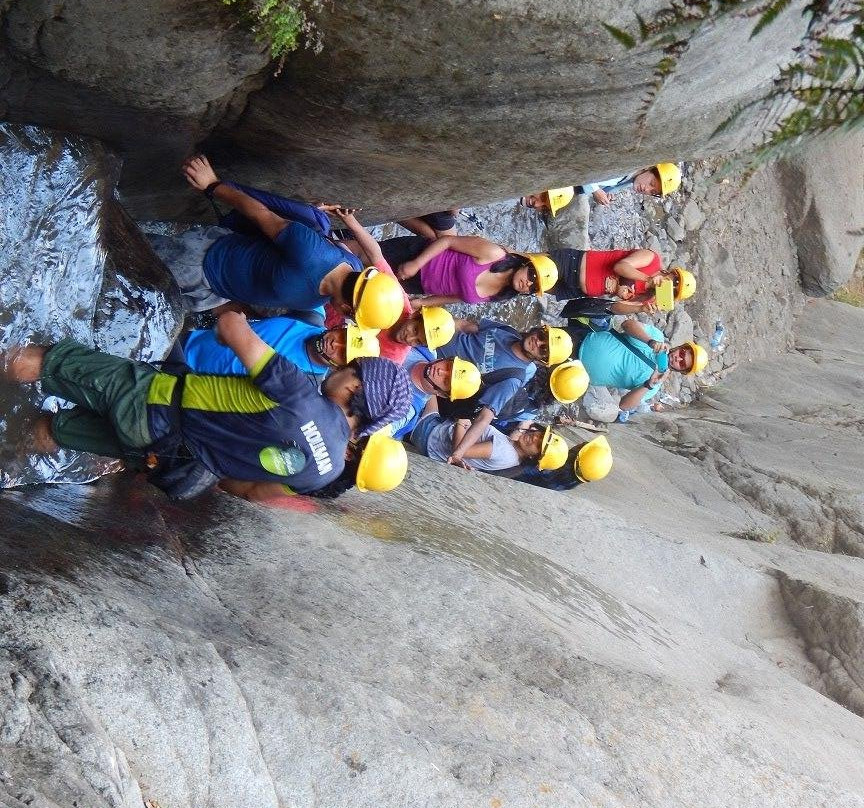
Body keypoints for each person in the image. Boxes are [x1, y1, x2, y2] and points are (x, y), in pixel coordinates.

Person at [1, 311, 412, 500]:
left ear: (356, 385)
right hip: (158, 453)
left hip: (151, 399)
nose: (341, 366)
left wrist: (230, 317)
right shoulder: (325, 474)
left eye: (350, 366)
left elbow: (231, 327)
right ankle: (14, 447)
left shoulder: (299, 390)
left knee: (51, 362)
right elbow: (247, 490)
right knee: (55, 431)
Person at [155, 155, 404, 330]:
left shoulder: (347, 267)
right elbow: (261, 214)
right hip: (200, 260)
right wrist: (213, 185)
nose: (345, 319)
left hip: (213, 293)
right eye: (351, 317)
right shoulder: (312, 254)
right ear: (349, 308)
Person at [434, 320, 573, 466]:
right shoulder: (508, 331)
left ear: (543, 361)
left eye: (543, 350)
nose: (538, 343)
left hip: (434, 371)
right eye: (542, 336)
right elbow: (463, 326)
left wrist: (458, 453)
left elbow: (484, 418)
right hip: (430, 337)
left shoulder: (512, 379)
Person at [566, 318, 708, 416]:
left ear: (681, 370)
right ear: (679, 347)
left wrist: (648, 384)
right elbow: (627, 324)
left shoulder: (654, 386)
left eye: (682, 363)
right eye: (682, 353)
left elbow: (624, 405)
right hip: (581, 339)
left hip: (577, 374)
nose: (678, 358)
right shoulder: (656, 336)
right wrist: (650, 341)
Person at [180, 318, 380, 378]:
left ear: (339, 367)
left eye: (342, 352)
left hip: (183, 373)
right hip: (188, 337)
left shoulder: (302, 381)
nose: (334, 343)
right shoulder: (309, 315)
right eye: (342, 336)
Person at [394, 235, 558, 308]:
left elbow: (456, 296)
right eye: (532, 275)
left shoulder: (500, 295)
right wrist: (416, 263)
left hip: (419, 286)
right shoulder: (495, 254)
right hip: (416, 254)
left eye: (534, 287)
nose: (528, 283)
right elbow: (448, 241)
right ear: (526, 264)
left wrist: (422, 303)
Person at [548, 249, 696, 315]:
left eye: (674, 289)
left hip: (576, 290)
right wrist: (648, 279)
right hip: (574, 264)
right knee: (528, 264)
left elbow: (614, 308)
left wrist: (639, 309)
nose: (671, 284)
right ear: (671, 273)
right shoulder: (652, 259)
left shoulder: (647, 298)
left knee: (531, 288)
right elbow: (621, 266)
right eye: (675, 280)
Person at [410, 416, 568, 474]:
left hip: (430, 434)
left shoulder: (503, 451)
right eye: (540, 436)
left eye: (538, 445)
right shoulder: (512, 454)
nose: (534, 438)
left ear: (534, 457)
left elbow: (460, 451)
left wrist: (460, 423)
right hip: (435, 433)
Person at [390, 347, 482, 439]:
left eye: (446, 381)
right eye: (447, 366)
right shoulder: (426, 348)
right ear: (444, 359)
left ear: (442, 394)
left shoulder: (405, 410)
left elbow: (379, 430)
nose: (440, 372)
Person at [511, 435, 613, 490]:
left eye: (583, 445)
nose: (582, 442)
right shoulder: (567, 482)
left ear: (576, 453)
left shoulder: (547, 467)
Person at [578, 163, 682, 206]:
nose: (646, 189)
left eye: (652, 191)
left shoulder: (630, 180)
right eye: (651, 183)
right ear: (649, 168)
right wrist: (595, 190)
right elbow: (583, 165)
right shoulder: (623, 165)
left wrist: (602, 194)